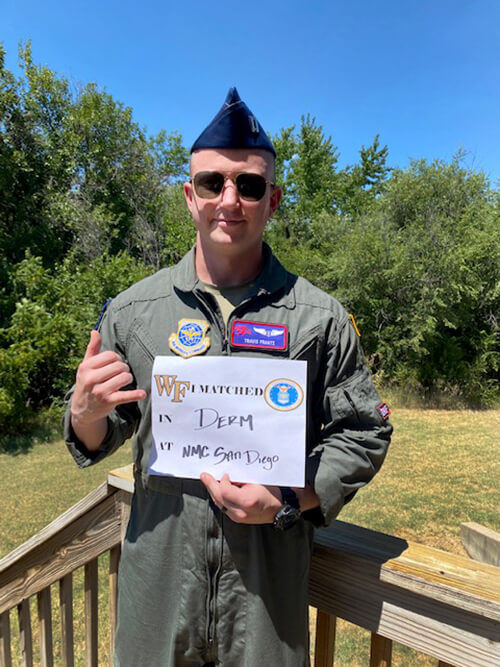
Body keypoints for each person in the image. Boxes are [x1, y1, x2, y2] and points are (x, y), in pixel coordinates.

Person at [64, 88, 392, 667]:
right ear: (190, 196)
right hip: (157, 597)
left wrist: (290, 496)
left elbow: (363, 433)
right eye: (213, 183)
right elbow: (101, 434)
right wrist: (85, 414)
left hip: (266, 606)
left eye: (250, 185)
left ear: (275, 200)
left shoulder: (320, 318)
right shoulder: (133, 313)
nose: (230, 200)